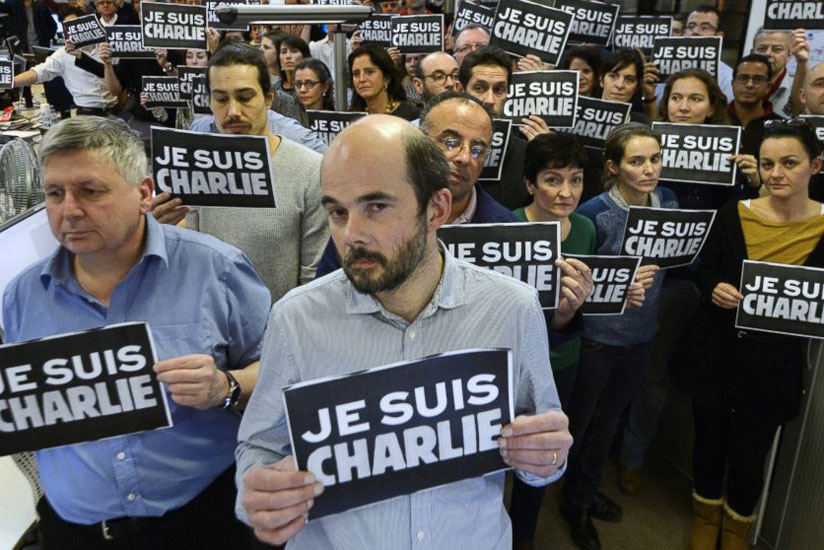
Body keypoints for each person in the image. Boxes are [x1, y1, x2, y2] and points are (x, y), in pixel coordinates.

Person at [235, 114, 573, 549]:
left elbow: (541, 448)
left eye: (376, 207)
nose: (351, 235)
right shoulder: (296, 319)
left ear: (436, 209)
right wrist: (258, 493)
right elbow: (259, 447)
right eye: (338, 211)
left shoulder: (512, 308)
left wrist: (545, 457)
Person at [1, 116, 271, 550]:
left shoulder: (215, 270)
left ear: (144, 193)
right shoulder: (21, 296)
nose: (69, 210)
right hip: (76, 532)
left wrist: (228, 385)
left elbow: (282, 374)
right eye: (55, 193)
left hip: (203, 520)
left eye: (90, 191)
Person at [684, 119, 824, 550]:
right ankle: (705, 519)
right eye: (767, 164)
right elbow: (702, 268)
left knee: (751, 454)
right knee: (708, 441)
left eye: (789, 163)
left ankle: (738, 527)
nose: (776, 173)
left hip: (775, 365)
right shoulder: (734, 213)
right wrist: (713, 288)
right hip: (716, 350)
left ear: (816, 165)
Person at [562, 123, 675, 550]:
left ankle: (586, 490)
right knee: (582, 421)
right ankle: (573, 501)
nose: (649, 169)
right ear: (613, 166)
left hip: (642, 335)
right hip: (597, 338)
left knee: (610, 420)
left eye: (655, 158)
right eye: (637, 161)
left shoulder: (669, 201)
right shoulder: (593, 213)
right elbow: (577, 284)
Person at [151, 42, 328, 301]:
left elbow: (315, 286)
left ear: (268, 98)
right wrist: (156, 233)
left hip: (278, 333)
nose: (233, 112)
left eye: (245, 98)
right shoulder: (185, 166)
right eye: (221, 99)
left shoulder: (311, 171)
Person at [509, 133, 614, 550]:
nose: (565, 192)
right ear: (530, 184)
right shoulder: (507, 225)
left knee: (541, 454)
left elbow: (586, 304)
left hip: (563, 360)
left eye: (575, 180)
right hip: (510, 365)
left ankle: (524, 535)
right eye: (553, 180)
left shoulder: (587, 229)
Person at [315, 91, 517, 276]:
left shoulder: (508, 230)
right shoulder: (369, 213)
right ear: (420, 142)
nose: (465, 158)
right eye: (450, 142)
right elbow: (327, 297)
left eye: (477, 149)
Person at [11, 7, 118, 116]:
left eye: (76, 24)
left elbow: (121, 77)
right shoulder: (63, 54)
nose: (74, 30)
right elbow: (37, 73)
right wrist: (9, 81)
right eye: (69, 26)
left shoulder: (108, 46)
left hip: (115, 110)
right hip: (87, 113)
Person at [728, 54, 783, 155]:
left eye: (758, 79)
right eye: (743, 78)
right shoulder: (714, 120)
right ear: (732, 84)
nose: (749, 85)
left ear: (768, 87)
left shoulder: (781, 127)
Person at [348, 44, 420, 120]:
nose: (361, 79)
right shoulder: (352, 117)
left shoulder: (409, 113)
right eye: (356, 74)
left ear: (386, 78)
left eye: (370, 72)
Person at [752, 28, 808, 117]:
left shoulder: (797, 87)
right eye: (762, 49)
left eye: (777, 49)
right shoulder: (737, 84)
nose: (768, 54)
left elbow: (798, 115)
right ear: (752, 52)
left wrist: (802, 62)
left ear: (788, 56)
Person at [683, 5, 733, 102]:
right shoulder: (664, 69)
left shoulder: (728, 77)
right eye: (691, 26)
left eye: (705, 27)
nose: (695, 32)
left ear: (719, 36)